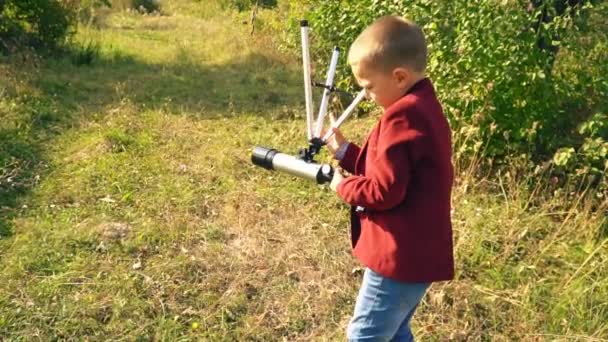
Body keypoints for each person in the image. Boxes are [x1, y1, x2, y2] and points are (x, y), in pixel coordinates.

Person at [324, 16, 454, 341]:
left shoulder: (404, 115)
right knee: (395, 333)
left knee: (364, 336)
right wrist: (345, 152)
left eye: (368, 87)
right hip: (416, 254)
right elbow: (391, 170)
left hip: (400, 256)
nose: (366, 95)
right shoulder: (423, 105)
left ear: (399, 77)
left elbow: (384, 190)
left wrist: (343, 185)